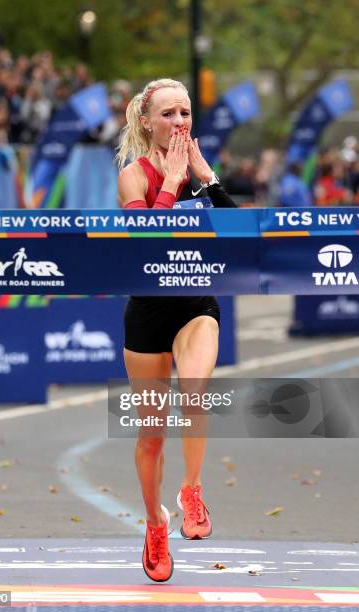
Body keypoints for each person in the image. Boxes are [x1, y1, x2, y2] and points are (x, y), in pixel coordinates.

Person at [116, 78, 236, 583]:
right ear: (147, 121)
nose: (180, 122)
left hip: (195, 300)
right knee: (151, 434)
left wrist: (206, 179)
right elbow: (145, 247)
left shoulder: (200, 173)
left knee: (195, 390)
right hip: (148, 308)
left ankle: (191, 490)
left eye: (185, 113)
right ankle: (154, 524)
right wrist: (169, 184)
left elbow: (239, 240)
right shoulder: (132, 175)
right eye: (168, 113)